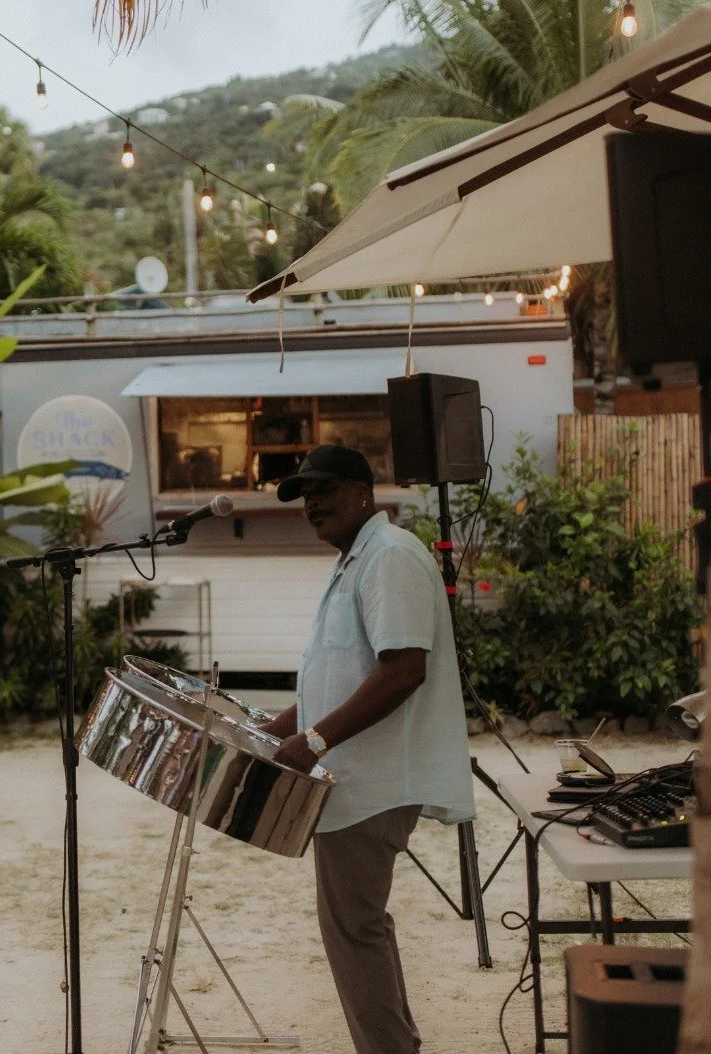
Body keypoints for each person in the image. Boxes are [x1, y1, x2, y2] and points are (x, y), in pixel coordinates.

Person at [261, 444, 474, 1054]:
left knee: (353, 929)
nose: (312, 504)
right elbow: (342, 673)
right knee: (361, 927)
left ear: (364, 491)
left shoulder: (390, 557)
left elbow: (405, 669)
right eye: (304, 495)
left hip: (372, 781)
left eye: (323, 489)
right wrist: (275, 728)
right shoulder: (357, 560)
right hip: (351, 779)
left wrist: (317, 740)